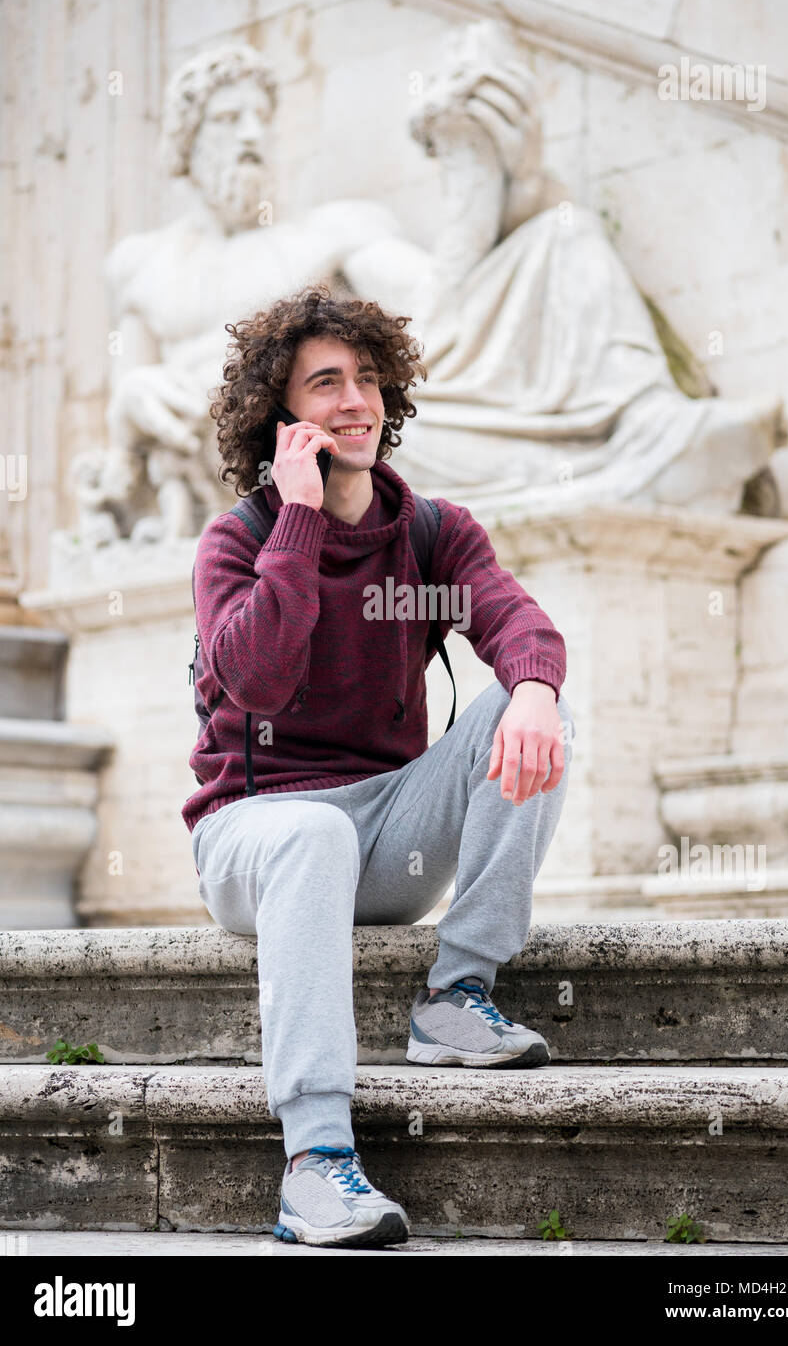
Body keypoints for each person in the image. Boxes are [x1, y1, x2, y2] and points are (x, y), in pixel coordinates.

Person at [183, 284, 576, 1248]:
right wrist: (302, 522)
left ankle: (455, 997)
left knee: (534, 700)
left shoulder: (433, 533)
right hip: (256, 833)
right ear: (281, 418)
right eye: (325, 383)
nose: (353, 399)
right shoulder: (237, 543)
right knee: (311, 830)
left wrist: (531, 688)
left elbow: (519, 622)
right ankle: (316, 1163)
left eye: (366, 378)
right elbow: (262, 684)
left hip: (388, 836)